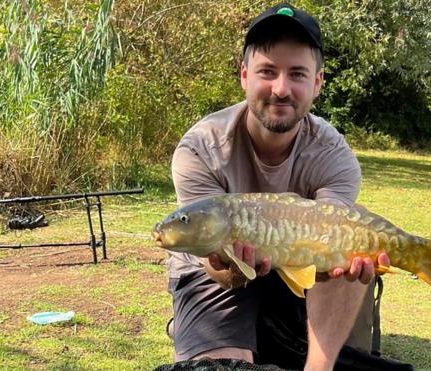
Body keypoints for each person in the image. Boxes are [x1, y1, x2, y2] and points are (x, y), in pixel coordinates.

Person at [167, 3, 390, 370]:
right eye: (267, 72)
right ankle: (205, 330)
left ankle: (318, 365)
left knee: (349, 250)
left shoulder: (334, 153)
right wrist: (234, 264)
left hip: (303, 264)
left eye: (297, 74)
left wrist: (348, 256)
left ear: (317, 82)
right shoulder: (200, 147)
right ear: (244, 76)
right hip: (217, 272)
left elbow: (335, 234)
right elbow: (212, 266)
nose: (281, 89)